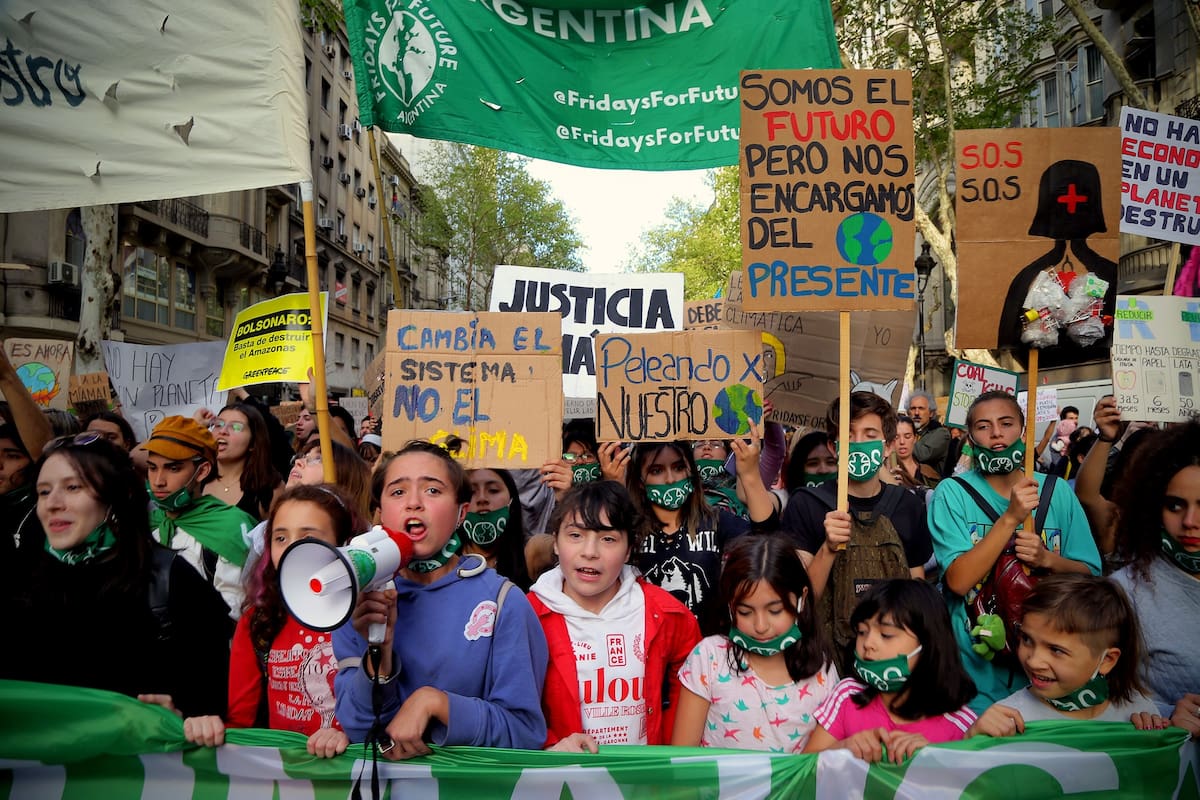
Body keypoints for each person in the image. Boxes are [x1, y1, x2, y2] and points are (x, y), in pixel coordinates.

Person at [332, 439, 548, 755]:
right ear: (379, 514)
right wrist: (379, 653)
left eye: (433, 490)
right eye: (397, 491)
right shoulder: (360, 603)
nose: (414, 503)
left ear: (462, 513)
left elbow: (524, 732)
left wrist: (435, 704)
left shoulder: (503, 602)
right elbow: (358, 727)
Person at [0, 433, 232, 717]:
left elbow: (212, 701)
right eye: (44, 491)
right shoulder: (20, 579)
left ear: (118, 495)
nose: (53, 503)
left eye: (73, 487)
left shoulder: (171, 581)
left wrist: (184, 714)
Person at [928, 390, 1101, 713]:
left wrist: (1048, 559)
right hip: (975, 677)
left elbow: (1092, 576)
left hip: (1051, 676)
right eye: (983, 426)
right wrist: (1010, 518)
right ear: (970, 437)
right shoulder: (952, 493)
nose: (996, 433)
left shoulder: (1056, 491)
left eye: (1006, 423)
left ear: (1023, 430)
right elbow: (957, 582)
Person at [183, 485, 356, 758]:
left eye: (308, 536)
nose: (291, 548)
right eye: (280, 538)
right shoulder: (257, 620)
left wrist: (350, 735)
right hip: (285, 778)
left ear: (343, 541)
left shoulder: (368, 613)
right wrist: (203, 727)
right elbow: (241, 723)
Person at [529, 481, 699, 751]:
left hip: (641, 781)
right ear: (556, 542)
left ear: (630, 549)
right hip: (564, 779)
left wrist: (669, 750)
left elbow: (692, 684)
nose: (590, 552)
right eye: (575, 535)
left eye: (608, 539)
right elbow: (510, 703)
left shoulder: (664, 612)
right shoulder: (528, 616)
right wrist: (550, 744)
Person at [781, 393, 931, 668]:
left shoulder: (908, 505)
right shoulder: (806, 504)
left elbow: (916, 589)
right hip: (825, 663)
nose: (858, 443)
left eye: (869, 434)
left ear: (887, 447)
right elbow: (799, 601)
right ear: (833, 445)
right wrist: (827, 549)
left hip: (893, 662)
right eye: (848, 435)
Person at [671, 535, 836, 752]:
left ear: (802, 599)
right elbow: (682, 757)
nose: (760, 626)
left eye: (775, 611)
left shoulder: (822, 670)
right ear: (730, 606)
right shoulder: (709, 658)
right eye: (745, 612)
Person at [627, 422, 778, 636]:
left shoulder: (715, 521)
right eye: (657, 470)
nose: (670, 479)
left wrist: (750, 475)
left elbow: (767, 540)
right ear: (641, 481)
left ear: (691, 471)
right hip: (649, 651)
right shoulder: (629, 529)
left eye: (678, 467)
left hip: (706, 654)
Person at [803, 580, 977, 763]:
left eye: (886, 634)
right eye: (862, 632)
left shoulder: (963, 726)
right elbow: (802, 770)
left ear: (929, 644)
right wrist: (842, 749)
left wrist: (932, 759)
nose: (868, 644)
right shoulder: (847, 695)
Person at [968, 575, 1165, 736]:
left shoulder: (1140, 714)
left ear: (1107, 660)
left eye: (1056, 650)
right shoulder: (1006, 720)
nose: (1034, 661)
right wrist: (974, 741)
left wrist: (1157, 741)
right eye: (1027, 639)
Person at [1109, 419, 1200, 737]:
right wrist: (1160, 715)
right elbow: (1090, 703)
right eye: (1175, 505)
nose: (1190, 521)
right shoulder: (1124, 592)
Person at [144, 416, 258, 619]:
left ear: (202, 471)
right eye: (152, 468)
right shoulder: (144, 524)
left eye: (173, 468)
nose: (158, 481)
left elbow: (236, 608)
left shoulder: (230, 527)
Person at [202, 402, 283, 522]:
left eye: (236, 427)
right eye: (218, 425)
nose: (223, 431)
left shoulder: (269, 488)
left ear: (253, 443)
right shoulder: (196, 478)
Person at [463, 467, 533, 591]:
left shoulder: (531, 552)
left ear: (511, 501)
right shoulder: (443, 557)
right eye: (471, 491)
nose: (482, 498)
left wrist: (564, 497)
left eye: (493, 490)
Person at [890, 415, 940, 490]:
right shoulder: (886, 472)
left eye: (907, 436)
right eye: (896, 437)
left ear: (915, 438)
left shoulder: (928, 472)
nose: (902, 442)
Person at [906, 390, 950, 475]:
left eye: (921, 408)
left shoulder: (941, 433)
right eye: (913, 408)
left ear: (931, 413)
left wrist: (900, 440)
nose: (917, 413)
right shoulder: (910, 432)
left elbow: (923, 455)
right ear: (908, 413)